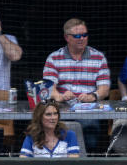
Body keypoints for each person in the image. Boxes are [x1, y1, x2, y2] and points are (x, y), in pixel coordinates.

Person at [43, 18, 110, 152]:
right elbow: (48, 88)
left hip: (88, 109)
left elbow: (104, 89)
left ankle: (87, 163)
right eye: (77, 36)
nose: (82, 39)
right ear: (66, 37)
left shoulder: (98, 57)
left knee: (89, 126)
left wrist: (92, 96)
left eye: (85, 35)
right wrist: (60, 97)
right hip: (61, 109)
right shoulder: (54, 58)